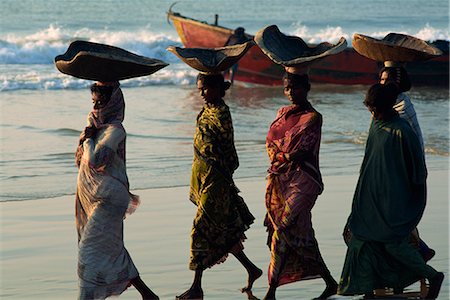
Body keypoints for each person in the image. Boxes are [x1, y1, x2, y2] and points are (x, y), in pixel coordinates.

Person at [337, 83, 444, 299]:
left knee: (392, 243)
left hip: (393, 202)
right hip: (369, 199)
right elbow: (368, 161)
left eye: (377, 109)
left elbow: (418, 172)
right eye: (370, 109)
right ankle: (369, 289)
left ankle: (432, 275)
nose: (373, 113)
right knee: (362, 240)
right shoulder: (376, 126)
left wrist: (409, 200)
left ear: (389, 106)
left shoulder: (403, 131)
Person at [176, 73, 262, 299]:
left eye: (205, 89)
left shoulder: (222, 113)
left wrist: (219, 176)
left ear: (217, 88)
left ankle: (196, 287)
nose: (202, 93)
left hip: (217, 179)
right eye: (200, 89)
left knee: (200, 229)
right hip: (205, 177)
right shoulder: (205, 111)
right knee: (224, 231)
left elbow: (226, 149)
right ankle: (252, 269)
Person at [75, 81, 159, 300]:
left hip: (109, 199)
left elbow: (95, 159)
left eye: (101, 102)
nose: (96, 107)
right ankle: (148, 294)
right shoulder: (96, 127)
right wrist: (86, 137)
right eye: (94, 102)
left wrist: (88, 138)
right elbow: (80, 162)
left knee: (88, 251)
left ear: (112, 103)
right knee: (113, 249)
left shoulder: (115, 130)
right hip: (97, 198)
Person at [263, 71, 338, 300]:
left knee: (283, 228)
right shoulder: (281, 114)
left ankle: (271, 291)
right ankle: (330, 282)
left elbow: (302, 151)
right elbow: (270, 142)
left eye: (295, 87)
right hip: (280, 180)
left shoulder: (313, 117)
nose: (290, 92)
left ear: (306, 88)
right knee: (301, 234)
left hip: (303, 181)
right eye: (286, 88)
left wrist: (281, 156)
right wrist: (279, 156)